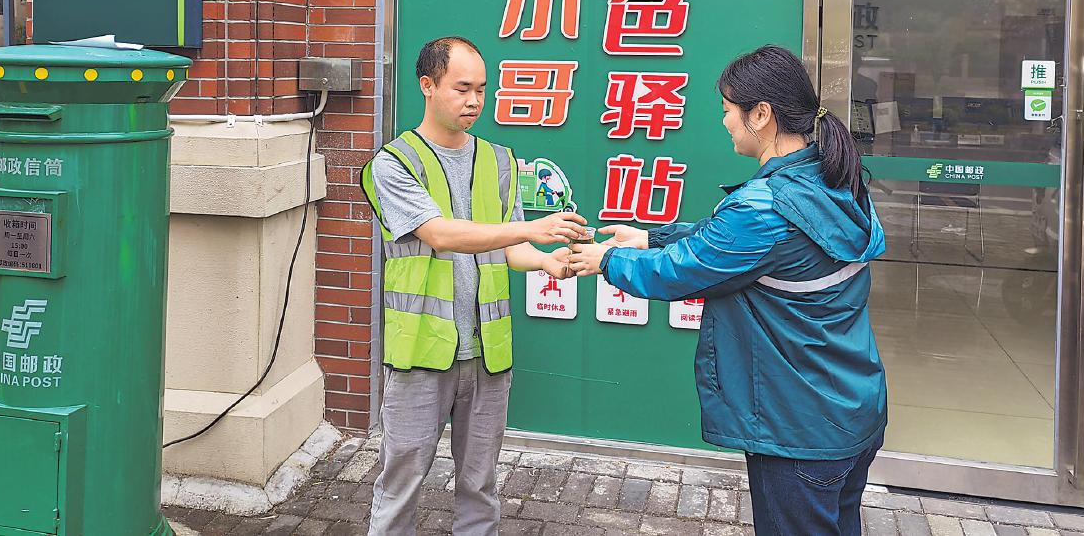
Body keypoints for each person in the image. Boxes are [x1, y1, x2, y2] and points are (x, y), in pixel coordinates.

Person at [570, 44, 887, 536]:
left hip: (798, 426)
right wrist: (651, 237)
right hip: (851, 407)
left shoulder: (766, 206)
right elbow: (734, 243)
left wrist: (606, 260)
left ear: (760, 114)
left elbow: (681, 271)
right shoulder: (830, 179)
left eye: (727, 110)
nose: (724, 122)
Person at [361, 36, 586, 536]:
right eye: (462, 88)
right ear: (427, 85)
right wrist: (532, 229)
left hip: (488, 353)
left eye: (481, 89)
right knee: (401, 483)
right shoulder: (394, 164)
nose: (474, 101)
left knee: (481, 485)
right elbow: (440, 234)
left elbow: (510, 247)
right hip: (421, 353)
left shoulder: (500, 161)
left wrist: (547, 262)